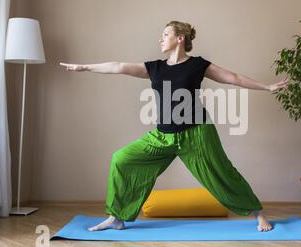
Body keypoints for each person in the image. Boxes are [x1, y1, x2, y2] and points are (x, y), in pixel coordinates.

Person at [59, 20, 288, 232]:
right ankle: (117, 217)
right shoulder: (155, 68)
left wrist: (267, 87)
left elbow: (234, 77)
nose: (160, 38)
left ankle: (258, 214)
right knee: (121, 159)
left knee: (222, 172)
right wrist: (85, 67)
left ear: (180, 38)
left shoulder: (198, 65)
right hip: (163, 135)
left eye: (165, 34)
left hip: (197, 133)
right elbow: (118, 66)